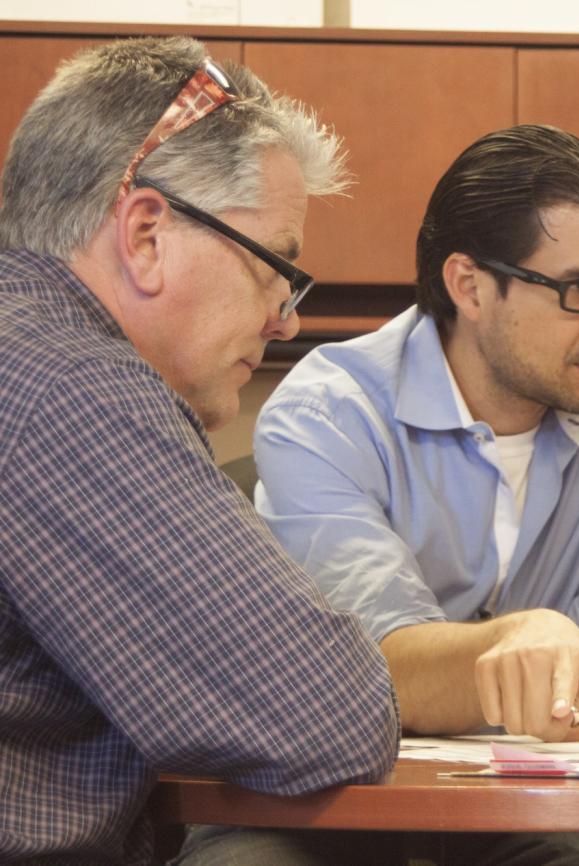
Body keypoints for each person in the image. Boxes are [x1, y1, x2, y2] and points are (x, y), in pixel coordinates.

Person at [0, 37, 399, 866]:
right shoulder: (71, 387)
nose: (286, 319)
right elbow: (328, 714)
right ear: (145, 233)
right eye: (275, 267)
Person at [253, 124, 579, 745]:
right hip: (326, 795)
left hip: (517, 795)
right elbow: (379, 666)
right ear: (470, 285)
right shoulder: (326, 414)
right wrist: (524, 643)